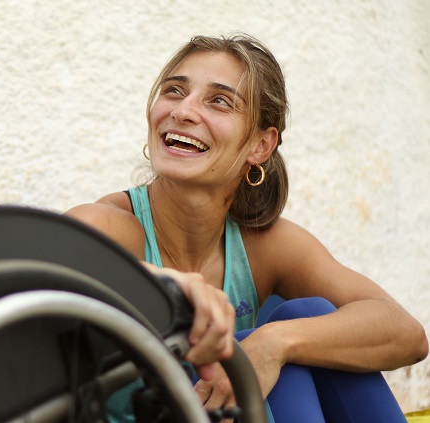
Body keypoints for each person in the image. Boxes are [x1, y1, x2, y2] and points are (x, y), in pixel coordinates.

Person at [66, 33, 428, 422]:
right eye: (174, 91)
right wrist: (162, 285)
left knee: (306, 318)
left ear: (260, 145)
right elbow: (43, 270)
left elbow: (406, 332)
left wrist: (275, 344)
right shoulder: (111, 223)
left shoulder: (263, 244)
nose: (183, 111)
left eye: (219, 100)